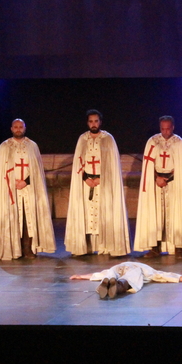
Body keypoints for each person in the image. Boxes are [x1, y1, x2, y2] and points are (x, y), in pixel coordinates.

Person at [64, 110, 131, 256]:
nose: (93, 124)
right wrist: (86, 179)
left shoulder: (108, 139)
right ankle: (85, 247)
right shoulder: (82, 139)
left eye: (96, 121)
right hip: (86, 182)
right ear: (87, 123)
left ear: (100, 122)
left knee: (104, 213)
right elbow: (78, 163)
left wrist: (101, 179)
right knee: (87, 214)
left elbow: (112, 164)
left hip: (103, 183)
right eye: (90, 121)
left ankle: (106, 246)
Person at [0, 119, 56, 260]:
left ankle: (28, 248)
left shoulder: (32, 146)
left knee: (28, 218)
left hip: (29, 188)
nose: (18, 129)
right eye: (16, 127)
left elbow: (36, 170)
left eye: (21, 127)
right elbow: (1, 171)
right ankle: (14, 249)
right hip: (11, 189)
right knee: (13, 218)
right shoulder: (4, 146)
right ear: (11, 128)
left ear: (25, 128)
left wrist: (25, 181)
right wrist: (13, 182)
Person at [135, 116, 182, 258]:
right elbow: (148, 165)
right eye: (163, 129)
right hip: (156, 182)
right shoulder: (153, 141)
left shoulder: (180, 143)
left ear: (173, 127)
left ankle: (179, 246)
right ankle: (155, 247)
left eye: (168, 128)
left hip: (175, 182)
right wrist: (157, 178)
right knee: (156, 214)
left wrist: (167, 179)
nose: (166, 132)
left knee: (177, 213)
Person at [70, 262, 182, 299]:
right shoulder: (146, 270)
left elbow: (97, 274)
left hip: (118, 267)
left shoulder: (143, 269)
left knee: (109, 273)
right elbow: (166, 275)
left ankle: (108, 284)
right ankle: (118, 286)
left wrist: (81, 276)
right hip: (134, 270)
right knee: (130, 277)